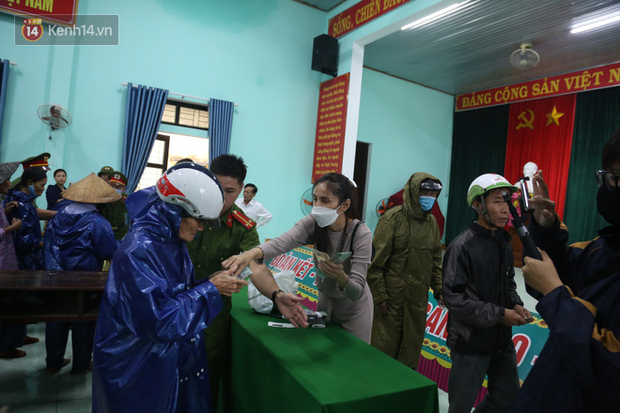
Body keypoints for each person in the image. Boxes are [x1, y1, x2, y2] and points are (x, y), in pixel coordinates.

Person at [92, 163, 248, 413]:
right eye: (198, 221)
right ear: (175, 210)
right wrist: (210, 290)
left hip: (160, 357)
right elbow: (159, 320)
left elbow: (173, 293)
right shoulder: (139, 250)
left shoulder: (168, 241)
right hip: (136, 364)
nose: (199, 229)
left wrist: (209, 283)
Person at [511, 132, 620, 413]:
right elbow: (545, 280)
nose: (611, 187)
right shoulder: (602, 248)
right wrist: (545, 231)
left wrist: (556, 294)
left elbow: (609, 370)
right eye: (610, 177)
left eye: (618, 178)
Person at [186, 154, 307, 406]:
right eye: (216, 187)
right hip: (174, 303)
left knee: (206, 379)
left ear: (241, 189)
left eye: (230, 191)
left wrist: (277, 295)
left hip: (211, 317)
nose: (221, 196)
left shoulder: (243, 226)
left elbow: (257, 267)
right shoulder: (185, 210)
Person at [225, 172, 373, 342]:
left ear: (344, 205)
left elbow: (357, 292)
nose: (317, 206)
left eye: (325, 201)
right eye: (315, 199)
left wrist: (341, 278)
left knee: (353, 359)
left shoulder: (360, 233)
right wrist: (250, 254)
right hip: (325, 302)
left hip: (354, 311)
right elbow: (281, 242)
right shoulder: (313, 222)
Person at [442, 173, 532, 413]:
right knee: (460, 406)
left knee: (507, 398)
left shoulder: (503, 241)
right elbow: (455, 300)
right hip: (470, 342)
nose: (505, 209)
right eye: (497, 201)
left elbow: (509, 281)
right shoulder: (462, 246)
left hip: (501, 340)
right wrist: (500, 314)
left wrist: (515, 304)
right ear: (477, 205)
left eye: (507, 201)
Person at [44, 173, 119, 375]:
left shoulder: (58, 216)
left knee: (56, 318)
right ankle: (81, 364)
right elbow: (108, 251)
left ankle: (53, 362)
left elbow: (49, 246)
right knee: (83, 322)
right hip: (85, 280)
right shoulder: (97, 222)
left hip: (57, 277)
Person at [367, 173, 443, 370]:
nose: (429, 197)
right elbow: (375, 263)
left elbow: (436, 259)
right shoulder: (392, 219)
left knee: (410, 352)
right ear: (413, 192)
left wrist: (440, 288)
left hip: (417, 301)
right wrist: (380, 295)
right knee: (384, 350)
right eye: (424, 192)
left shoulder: (432, 223)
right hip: (391, 301)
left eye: (433, 193)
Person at [0, 161, 26, 359]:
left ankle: (13, 340)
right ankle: (5, 347)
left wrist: (6, 213)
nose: (10, 183)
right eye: (7, 180)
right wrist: (11, 228)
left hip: (6, 258)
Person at [4, 166, 48, 270]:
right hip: (25, 261)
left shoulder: (25, 202)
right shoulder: (20, 205)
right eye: (42, 185)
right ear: (30, 182)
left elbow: (29, 229)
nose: (43, 188)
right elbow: (23, 241)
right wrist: (45, 244)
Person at [98, 171, 130, 240]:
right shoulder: (100, 198)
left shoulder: (128, 199)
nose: (114, 189)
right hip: (102, 232)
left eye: (118, 187)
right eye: (111, 186)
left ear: (123, 189)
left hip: (120, 233)